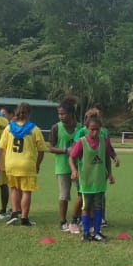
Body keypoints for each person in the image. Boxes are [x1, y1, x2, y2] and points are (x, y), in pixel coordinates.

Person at [0, 102, 46, 226]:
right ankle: (24, 218)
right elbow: (41, 150)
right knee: (26, 191)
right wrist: (37, 164)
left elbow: (0, 147)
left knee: (14, 189)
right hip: (27, 164)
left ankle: (15, 214)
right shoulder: (34, 129)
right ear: (29, 114)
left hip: (11, 163)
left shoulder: (9, 128)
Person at [70, 103, 120, 230]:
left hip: (98, 174)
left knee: (98, 200)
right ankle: (74, 221)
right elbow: (74, 153)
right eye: (92, 129)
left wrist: (113, 161)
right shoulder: (82, 132)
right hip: (85, 174)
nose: (95, 132)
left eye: (97, 129)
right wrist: (74, 170)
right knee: (83, 198)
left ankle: (94, 224)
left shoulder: (103, 134)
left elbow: (107, 152)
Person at [48, 97, 81, 232]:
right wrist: (65, 150)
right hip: (62, 166)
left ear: (71, 114)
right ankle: (63, 221)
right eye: (59, 114)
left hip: (79, 166)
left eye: (63, 114)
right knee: (64, 195)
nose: (61, 116)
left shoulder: (80, 127)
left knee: (82, 193)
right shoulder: (56, 127)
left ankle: (78, 218)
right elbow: (50, 148)